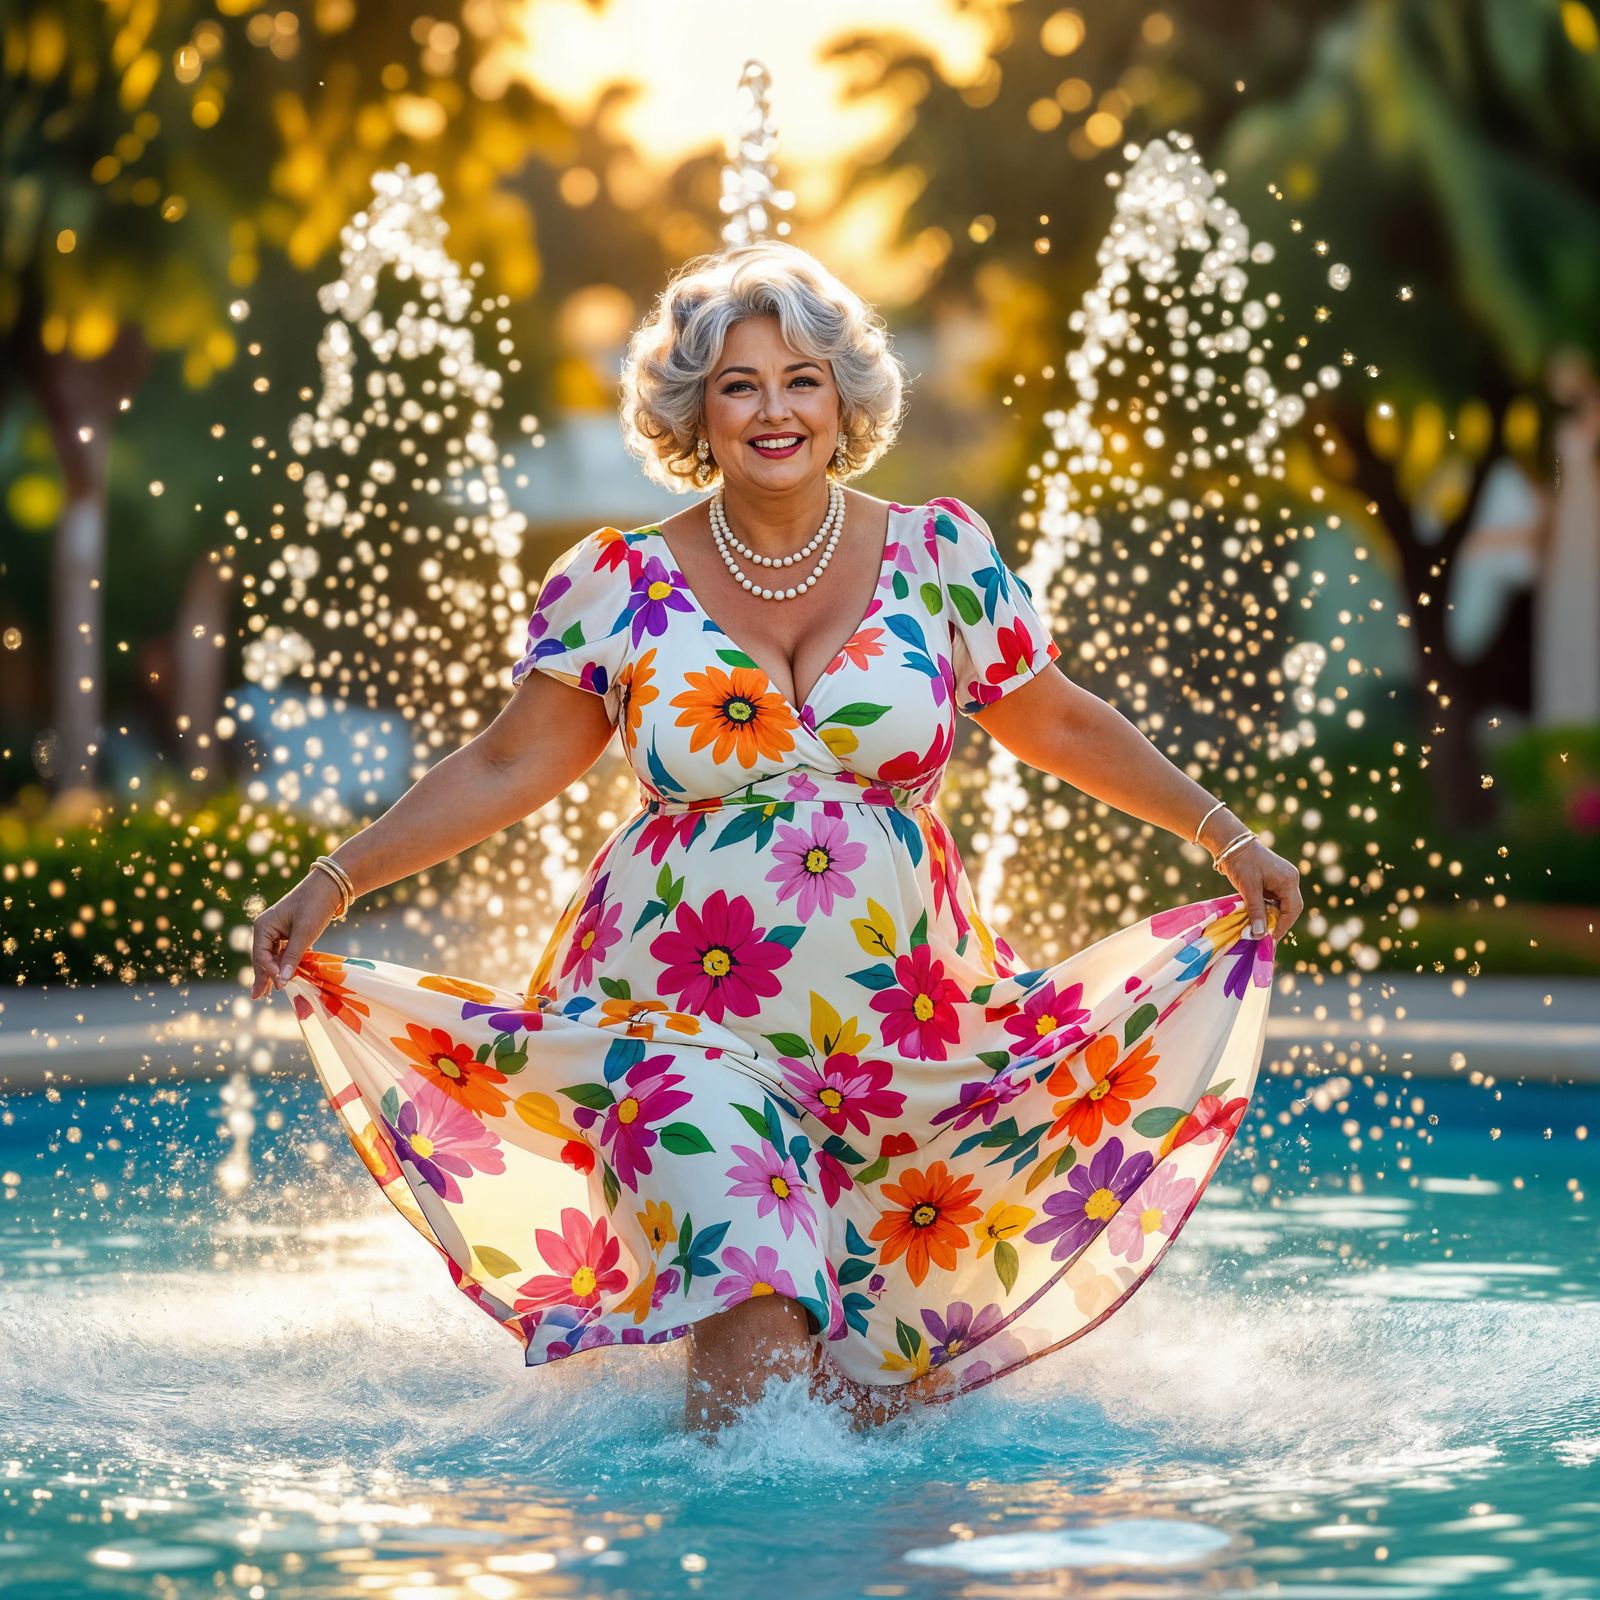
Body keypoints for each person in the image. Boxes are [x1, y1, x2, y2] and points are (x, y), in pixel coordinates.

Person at [250, 240, 1301, 1436]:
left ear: (845, 399)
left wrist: (1225, 835)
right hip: (672, 1021)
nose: (774, 408)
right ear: (694, 411)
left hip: (899, 1034)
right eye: (739, 383)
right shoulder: (620, 579)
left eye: (801, 378)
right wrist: (335, 881)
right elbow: (503, 761)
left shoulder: (940, 555)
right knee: (750, 1299)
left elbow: (1054, 716)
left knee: (855, 1385)